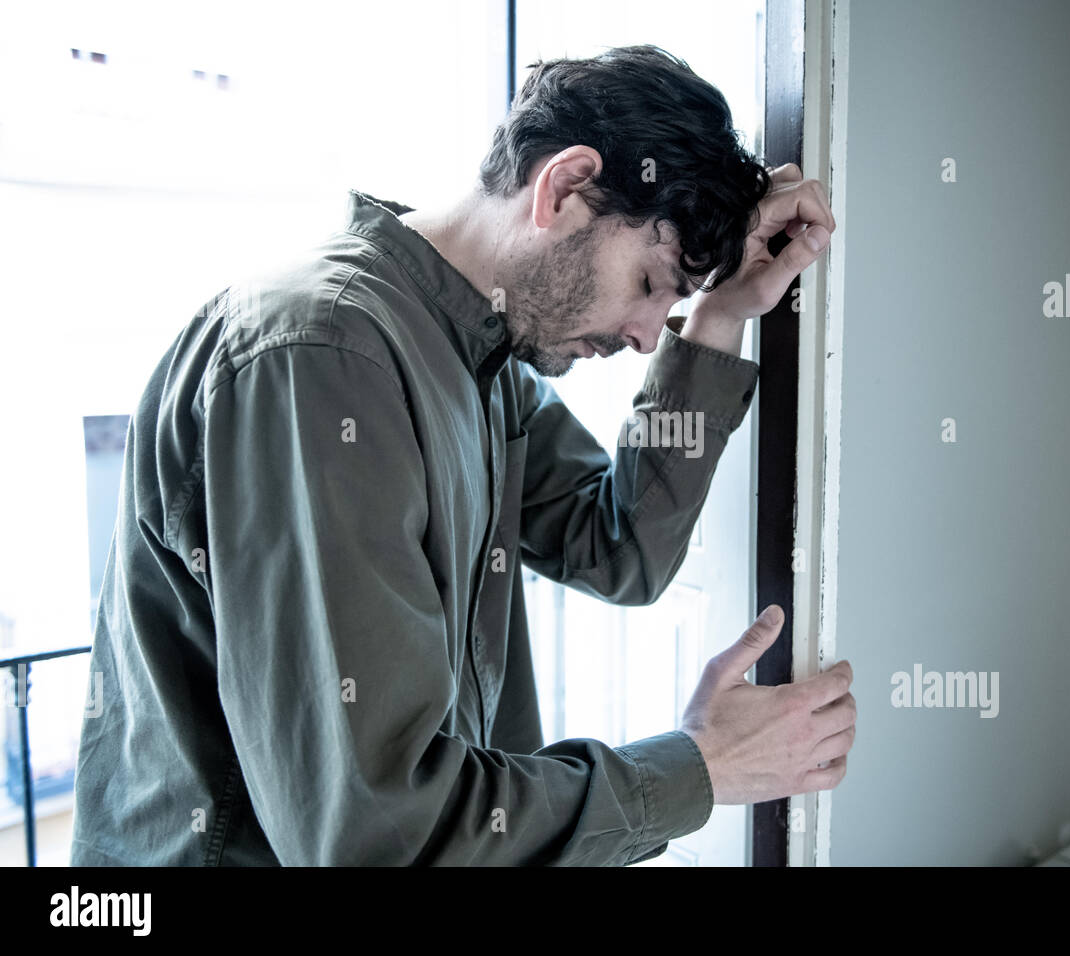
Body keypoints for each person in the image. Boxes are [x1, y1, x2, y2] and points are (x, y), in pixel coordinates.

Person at [70, 44, 854, 866]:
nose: (644, 334)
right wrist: (700, 769)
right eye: (653, 283)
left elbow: (619, 548)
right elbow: (377, 832)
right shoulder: (326, 356)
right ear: (564, 187)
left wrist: (721, 317)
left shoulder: (478, 362)